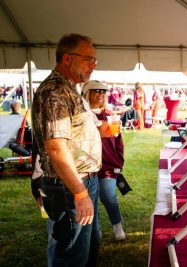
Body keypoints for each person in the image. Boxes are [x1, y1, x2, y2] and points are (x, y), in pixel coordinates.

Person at [31, 33, 102, 266]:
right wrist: (80, 193)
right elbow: (56, 146)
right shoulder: (55, 92)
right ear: (67, 59)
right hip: (70, 187)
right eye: (89, 58)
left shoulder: (68, 88)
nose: (94, 64)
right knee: (72, 256)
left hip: (81, 182)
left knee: (86, 248)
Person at [82, 80, 126, 241]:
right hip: (88, 165)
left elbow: (118, 141)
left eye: (103, 91)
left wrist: (119, 162)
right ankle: (96, 230)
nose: (101, 94)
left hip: (108, 164)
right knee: (91, 199)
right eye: (96, 91)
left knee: (108, 196)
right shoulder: (83, 114)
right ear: (88, 93)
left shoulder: (109, 114)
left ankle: (117, 226)